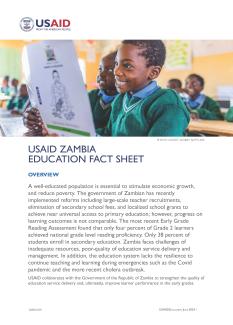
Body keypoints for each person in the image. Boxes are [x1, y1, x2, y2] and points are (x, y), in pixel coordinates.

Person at [97, 40, 190, 136]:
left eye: (127, 65)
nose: (116, 71)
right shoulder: (120, 99)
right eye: (116, 64)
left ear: (153, 72)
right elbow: (108, 133)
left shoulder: (168, 105)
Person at [23, 51, 118, 135]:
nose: (101, 74)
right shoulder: (90, 96)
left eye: (109, 70)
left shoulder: (123, 102)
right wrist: (36, 118)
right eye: (100, 69)